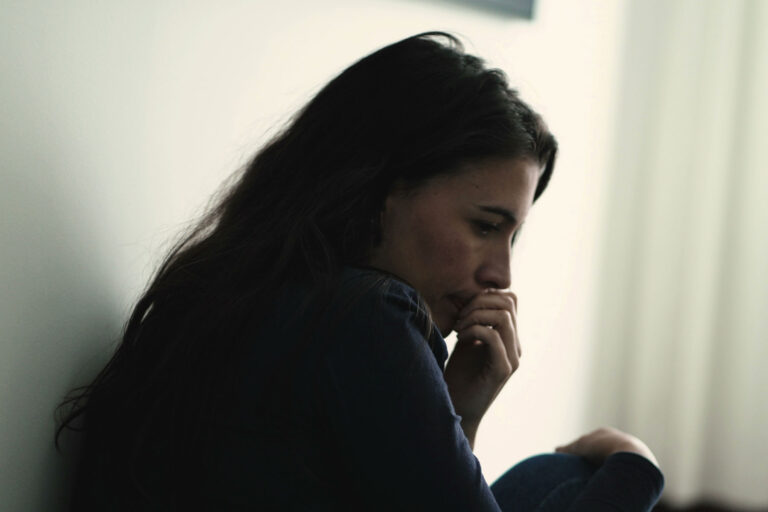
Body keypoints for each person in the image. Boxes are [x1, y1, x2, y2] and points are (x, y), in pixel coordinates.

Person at [57, 32, 664, 510]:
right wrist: (637, 472)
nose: (500, 274)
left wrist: (458, 408)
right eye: (484, 225)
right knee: (581, 478)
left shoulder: (236, 287)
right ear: (382, 190)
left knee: (549, 479)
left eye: (513, 235)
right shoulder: (367, 313)